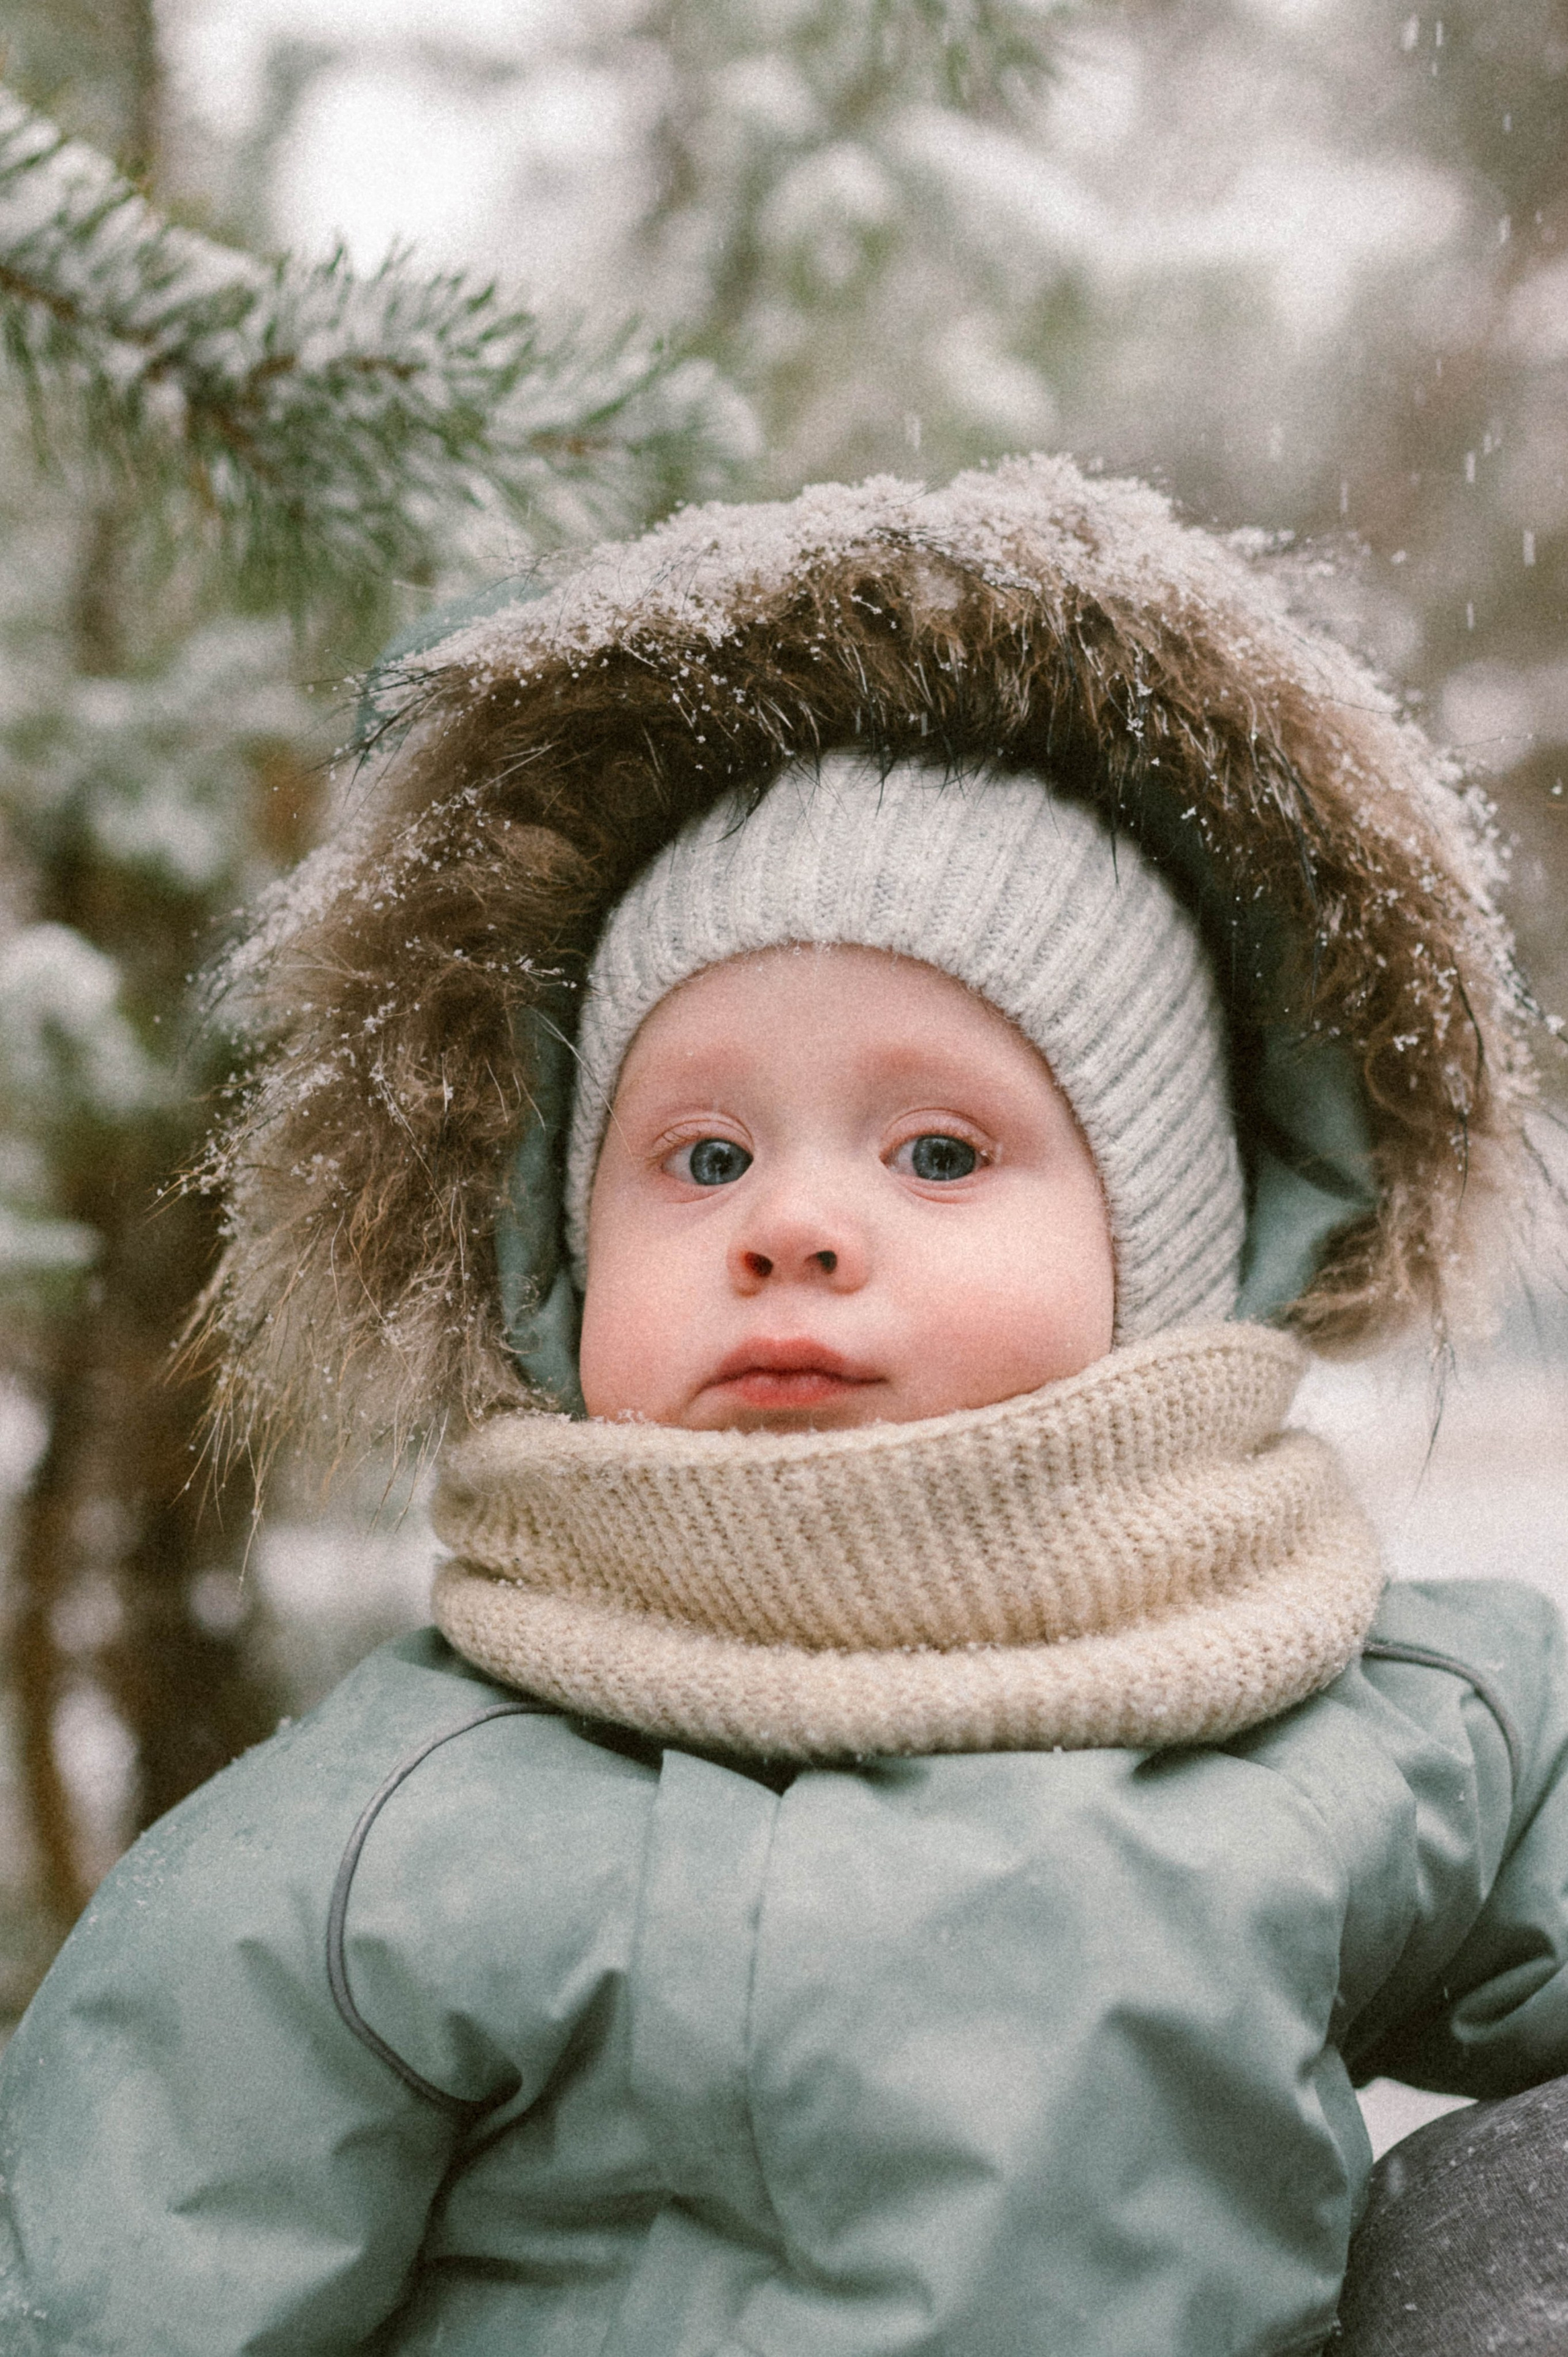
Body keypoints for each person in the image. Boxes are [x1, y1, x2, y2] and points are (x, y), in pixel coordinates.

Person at [0, 456, 1564, 2356]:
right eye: (707, 1153)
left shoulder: (1367, 1730)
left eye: (936, 1148)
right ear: (561, 1268)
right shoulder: (417, 1826)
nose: (797, 1227)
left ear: (1163, 1254)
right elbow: (117, 2281)